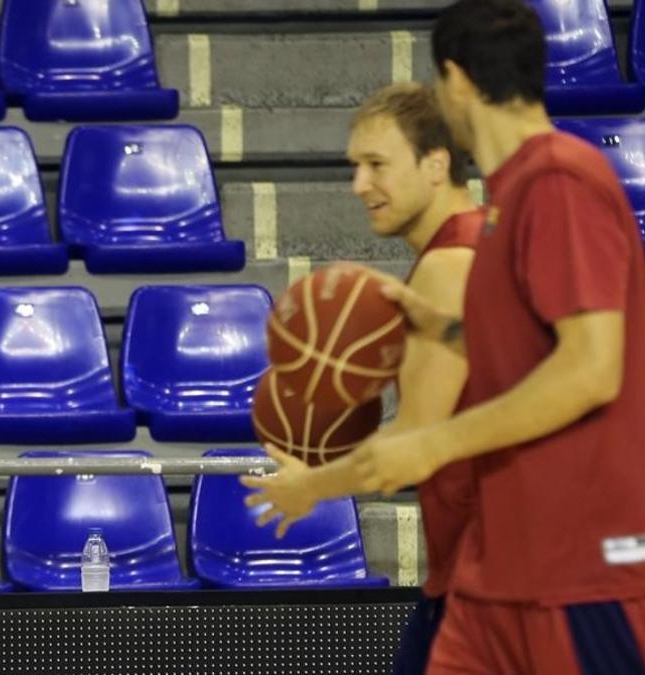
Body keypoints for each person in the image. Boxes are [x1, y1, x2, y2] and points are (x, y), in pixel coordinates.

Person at [343, 0, 645, 671]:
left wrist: (434, 440)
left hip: (592, 565)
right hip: (512, 566)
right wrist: (440, 326)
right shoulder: (511, 196)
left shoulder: (558, 179)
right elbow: (530, 355)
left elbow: (591, 370)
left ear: (457, 80)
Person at [241, 82, 483, 674]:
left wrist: (311, 483)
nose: (359, 186)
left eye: (377, 165)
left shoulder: (453, 264)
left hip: (492, 584)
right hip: (476, 572)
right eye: (355, 167)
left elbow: (416, 443)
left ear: (436, 163)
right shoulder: (478, 244)